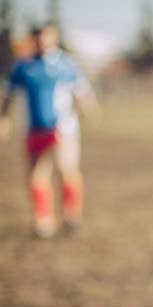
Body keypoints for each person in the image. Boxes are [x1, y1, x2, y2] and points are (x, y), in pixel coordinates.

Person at [0, 23, 96, 238]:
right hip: (34, 129)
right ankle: (43, 221)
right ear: (35, 38)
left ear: (55, 37)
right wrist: (4, 118)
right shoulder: (23, 66)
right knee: (36, 177)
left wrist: (88, 109)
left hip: (62, 129)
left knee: (66, 171)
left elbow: (81, 91)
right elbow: (8, 94)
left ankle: (71, 216)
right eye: (40, 37)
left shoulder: (66, 64)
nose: (44, 41)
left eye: (48, 36)